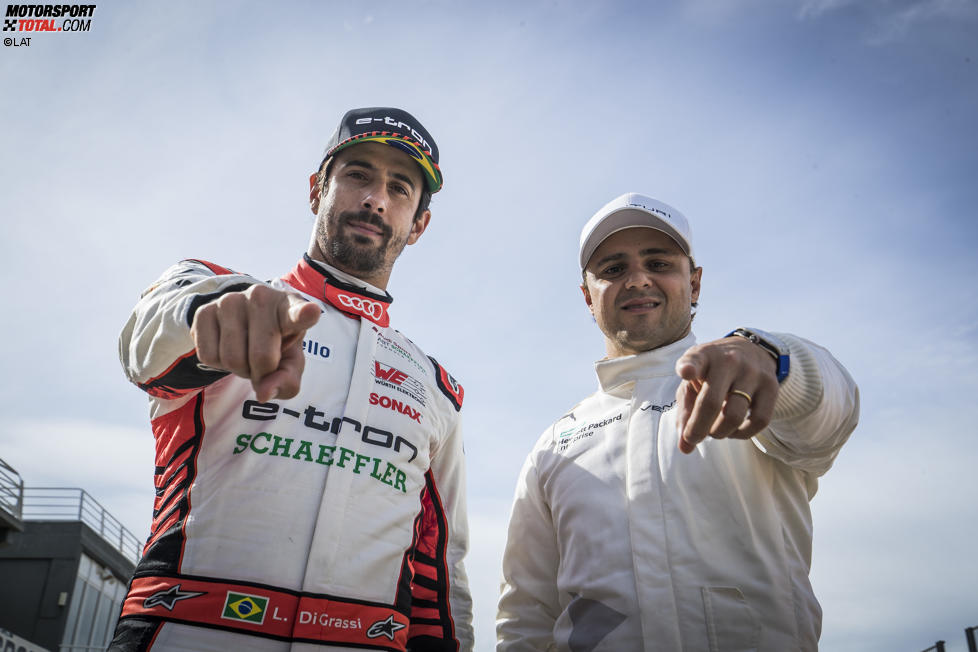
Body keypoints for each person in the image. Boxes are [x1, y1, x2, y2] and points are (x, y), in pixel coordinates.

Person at [111, 107, 472, 651]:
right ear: (316, 190)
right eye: (357, 175)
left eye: (399, 188)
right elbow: (146, 347)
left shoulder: (436, 386)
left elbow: (440, 573)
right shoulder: (223, 291)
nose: (375, 199)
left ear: (418, 223)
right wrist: (213, 317)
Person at [496, 192, 859, 651]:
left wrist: (770, 355)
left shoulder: (750, 381)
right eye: (613, 269)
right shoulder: (554, 444)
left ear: (695, 284)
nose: (637, 279)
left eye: (659, 263)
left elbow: (830, 413)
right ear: (588, 298)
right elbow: (525, 615)